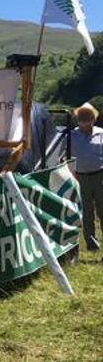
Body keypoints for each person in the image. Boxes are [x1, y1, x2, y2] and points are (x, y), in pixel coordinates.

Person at [72, 103, 103, 251]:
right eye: (82, 118)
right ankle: (91, 244)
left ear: (93, 118)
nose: (84, 120)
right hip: (80, 177)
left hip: (100, 176)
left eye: (88, 117)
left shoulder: (101, 133)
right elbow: (63, 156)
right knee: (86, 211)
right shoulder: (71, 135)